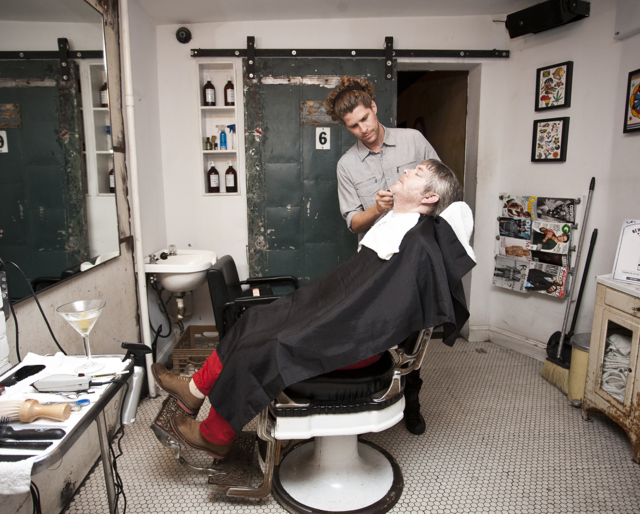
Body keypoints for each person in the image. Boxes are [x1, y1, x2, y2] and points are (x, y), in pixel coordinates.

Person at [152, 160, 474, 459]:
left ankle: (215, 436)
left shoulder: (417, 243)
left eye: (417, 173)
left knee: (267, 345)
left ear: (429, 197)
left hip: (355, 343)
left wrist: (315, 325)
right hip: (342, 325)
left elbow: (378, 315)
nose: (406, 171)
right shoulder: (396, 224)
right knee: (255, 319)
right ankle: (194, 390)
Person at [324, 76, 440, 435]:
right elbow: (354, 223)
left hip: (416, 256)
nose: (363, 129)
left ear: (374, 107)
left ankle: (412, 402)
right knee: (374, 330)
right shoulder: (347, 165)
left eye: (365, 118)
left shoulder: (413, 140)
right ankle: (369, 399)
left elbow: (442, 186)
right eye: (353, 126)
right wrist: (376, 208)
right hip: (378, 262)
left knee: (413, 331)